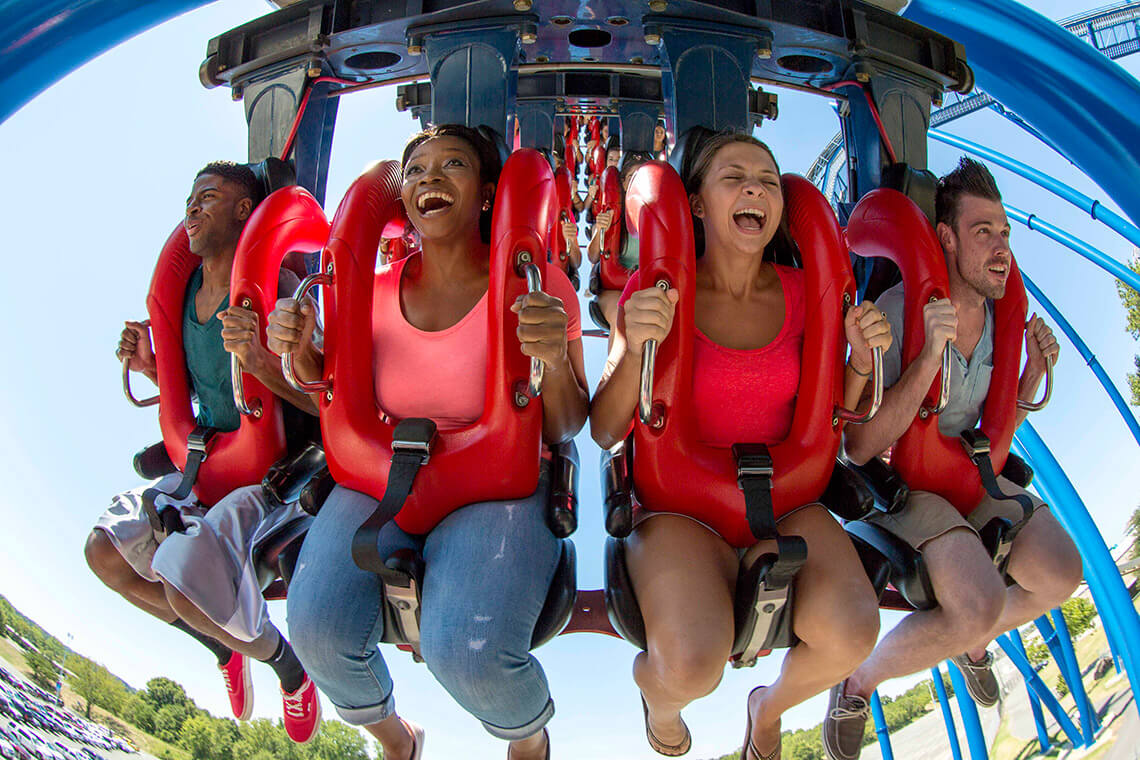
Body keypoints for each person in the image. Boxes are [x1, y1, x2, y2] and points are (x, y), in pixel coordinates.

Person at [268, 125, 589, 760]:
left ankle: (526, 736)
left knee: (469, 653)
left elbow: (565, 422)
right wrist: (299, 351)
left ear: (487, 193)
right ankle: (396, 737)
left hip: (494, 487)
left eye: (452, 166)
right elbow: (330, 389)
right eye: (416, 170)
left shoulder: (538, 281)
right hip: (382, 478)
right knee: (315, 628)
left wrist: (551, 357)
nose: (429, 179)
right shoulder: (374, 294)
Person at [589, 132, 891, 760]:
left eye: (769, 180)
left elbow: (837, 408)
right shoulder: (655, 290)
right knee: (694, 664)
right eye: (734, 176)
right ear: (696, 204)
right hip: (682, 507)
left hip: (786, 496)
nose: (755, 187)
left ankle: (769, 709)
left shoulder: (806, 293)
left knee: (854, 629)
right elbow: (604, 428)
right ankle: (660, 699)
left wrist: (861, 362)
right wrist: (639, 342)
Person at [824, 158, 1080, 760]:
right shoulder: (894, 308)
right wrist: (926, 360)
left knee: (1061, 574)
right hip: (907, 484)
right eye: (983, 231)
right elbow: (856, 447)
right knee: (980, 602)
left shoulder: (1000, 320)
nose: (1001, 248)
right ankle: (857, 683)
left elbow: (996, 439)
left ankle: (967, 642)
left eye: (1005, 232)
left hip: (969, 473)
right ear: (945, 238)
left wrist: (1028, 382)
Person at [86, 161, 322, 743]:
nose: (192, 209)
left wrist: (265, 361)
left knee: (179, 577)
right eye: (190, 199)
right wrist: (151, 364)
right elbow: (200, 390)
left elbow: (329, 404)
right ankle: (222, 644)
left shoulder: (283, 293)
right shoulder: (186, 295)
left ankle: (288, 670)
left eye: (209, 198)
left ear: (245, 211)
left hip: (272, 478)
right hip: (203, 464)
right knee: (103, 553)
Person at [587, 152, 653, 330]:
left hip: (645, 287)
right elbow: (593, 257)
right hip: (613, 290)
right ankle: (616, 358)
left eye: (642, 177)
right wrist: (600, 229)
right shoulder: (611, 216)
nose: (637, 182)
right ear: (623, 183)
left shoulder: (656, 218)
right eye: (632, 177)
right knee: (621, 318)